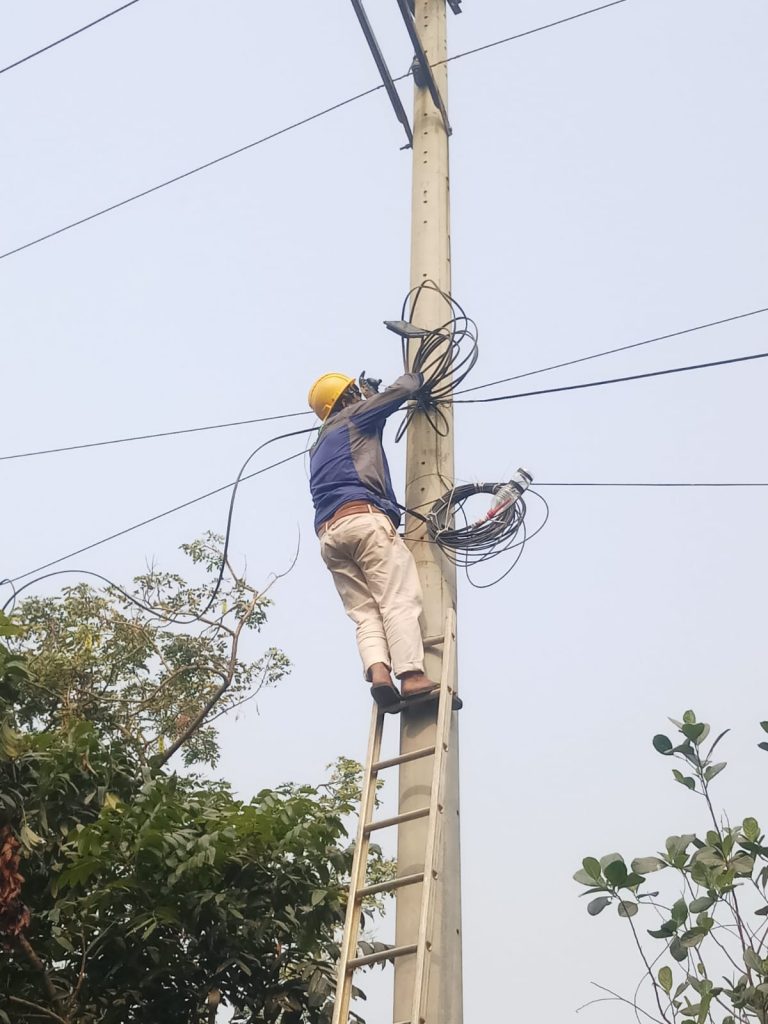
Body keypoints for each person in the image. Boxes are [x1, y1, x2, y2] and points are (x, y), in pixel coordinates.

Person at [308, 371, 438, 710]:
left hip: (329, 535)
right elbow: (405, 389)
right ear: (348, 395)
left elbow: (364, 438)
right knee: (398, 598)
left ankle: (379, 672)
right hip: (363, 520)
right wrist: (417, 369)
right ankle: (411, 676)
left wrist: (367, 398)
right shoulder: (355, 416)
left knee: (366, 614)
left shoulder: (319, 444)